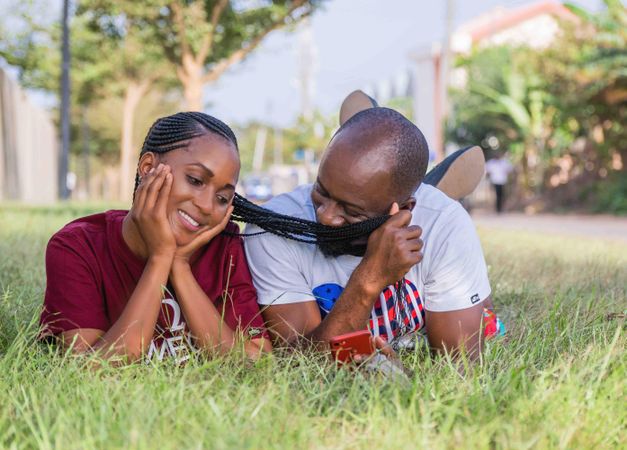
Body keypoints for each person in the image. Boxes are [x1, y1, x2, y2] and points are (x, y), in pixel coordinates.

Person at [242, 107, 501, 360]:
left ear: (403, 211)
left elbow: (459, 365)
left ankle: (428, 189)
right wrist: (368, 280)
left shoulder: (445, 223)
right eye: (322, 191)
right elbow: (300, 361)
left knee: (485, 318)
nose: (326, 217)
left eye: (351, 210)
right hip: (398, 208)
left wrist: (404, 384)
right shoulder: (274, 227)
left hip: (430, 217)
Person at [40, 112, 271, 363]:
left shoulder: (224, 247)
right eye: (195, 180)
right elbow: (91, 370)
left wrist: (179, 266)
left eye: (222, 198)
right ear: (148, 168)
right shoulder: (78, 246)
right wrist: (161, 258)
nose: (206, 206)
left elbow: (255, 363)